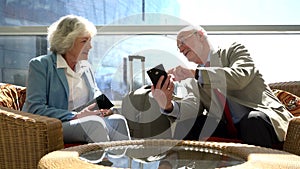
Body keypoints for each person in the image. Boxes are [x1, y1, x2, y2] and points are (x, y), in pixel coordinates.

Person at [151, 25, 293, 148]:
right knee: (186, 125)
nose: (181, 49)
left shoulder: (233, 51)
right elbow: (193, 107)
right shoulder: (193, 77)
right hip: (229, 127)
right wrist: (167, 105)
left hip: (261, 118)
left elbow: (240, 77)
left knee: (251, 121)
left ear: (200, 34)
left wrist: (196, 74)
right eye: (178, 47)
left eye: (182, 42)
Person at [22, 15, 131, 143]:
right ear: (67, 42)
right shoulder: (40, 65)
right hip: (54, 125)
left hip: (83, 121)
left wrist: (107, 108)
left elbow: (95, 93)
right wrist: (76, 116)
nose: (90, 47)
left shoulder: (85, 66)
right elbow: (35, 108)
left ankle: (121, 162)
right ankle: (100, 163)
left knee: (118, 121)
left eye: (90, 41)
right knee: (94, 124)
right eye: (84, 41)